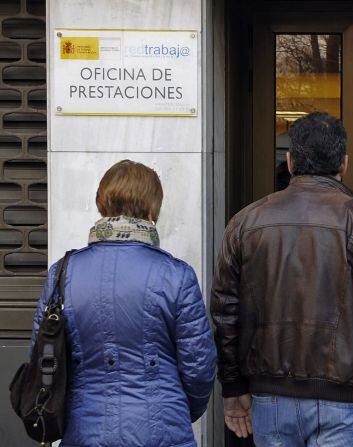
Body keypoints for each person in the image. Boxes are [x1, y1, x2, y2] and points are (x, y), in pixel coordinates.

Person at [211, 112, 353, 446]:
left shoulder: (246, 222)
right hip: (345, 396)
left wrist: (232, 387)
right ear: (344, 163)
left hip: (270, 395)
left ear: (290, 162)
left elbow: (224, 314)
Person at [29, 160, 217, 447]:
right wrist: (176, 409)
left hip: (85, 428)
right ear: (153, 209)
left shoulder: (62, 273)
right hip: (162, 428)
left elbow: (41, 354)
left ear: (101, 204)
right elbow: (199, 366)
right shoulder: (176, 274)